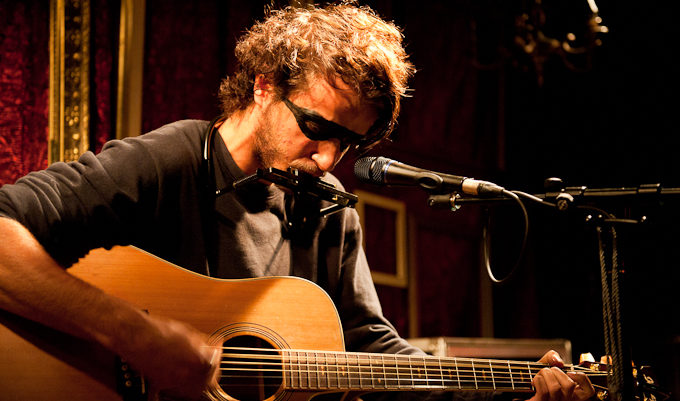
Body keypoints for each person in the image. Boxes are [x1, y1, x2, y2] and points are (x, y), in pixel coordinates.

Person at [0, 3, 594, 401]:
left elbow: (366, 344)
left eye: (349, 143)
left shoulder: (330, 209)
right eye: (315, 126)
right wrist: (136, 336)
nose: (328, 159)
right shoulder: (170, 161)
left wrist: (509, 387)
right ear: (264, 84)